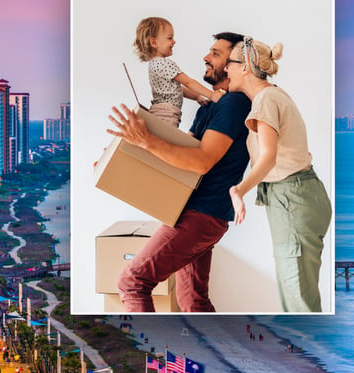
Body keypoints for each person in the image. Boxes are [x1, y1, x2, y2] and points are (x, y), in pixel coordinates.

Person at [107, 32, 250, 312]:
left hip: (201, 214)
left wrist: (145, 140)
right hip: (197, 212)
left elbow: (201, 162)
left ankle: (149, 355)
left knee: (132, 283)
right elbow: (180, 154)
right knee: (193, 301)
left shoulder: (235, 104)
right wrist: (123, 153)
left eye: (216, 54)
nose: (206, 57)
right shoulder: (212, 105)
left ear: (237, 64)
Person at [226, 36, 332, 312]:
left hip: (292, 200)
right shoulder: (273, 95)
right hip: (298, 197)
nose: (226, 69)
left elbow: (267, 157)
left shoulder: (265, 101)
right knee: (298, 294)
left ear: (246, 65)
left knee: (298, 300)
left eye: (230, 63)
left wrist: (239, 190)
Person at [134, 17, 224, 127]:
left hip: (160, 111)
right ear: (154, 42)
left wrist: (197, 97)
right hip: (167, 114)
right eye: (169, 38)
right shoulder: (164, 63)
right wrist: (211, 95)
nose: (174, 41)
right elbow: (188, 82)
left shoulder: (154, 64)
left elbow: (177, 88)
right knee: (166, 141)